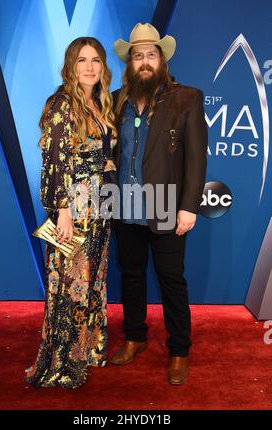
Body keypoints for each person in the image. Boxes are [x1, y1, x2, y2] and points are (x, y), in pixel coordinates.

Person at [110, 23, 208, 385]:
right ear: (130, 63)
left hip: (167, 204)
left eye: (152, 54)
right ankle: (135, 337)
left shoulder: (187, 98)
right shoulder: (116, 99)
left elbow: (197, 159)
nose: (145, 61)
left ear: (162, 60)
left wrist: (189, 206)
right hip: (123, 205)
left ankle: (179, 350)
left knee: (171, 280)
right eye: (139, 56)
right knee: (131, 276)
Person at [25, 37, 117, 389]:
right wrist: (61, 210)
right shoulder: (62, 104)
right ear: (70, 66)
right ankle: (62, 361)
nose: (90, 67)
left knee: (92, 281)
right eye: (82, 60)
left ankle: (87, 348)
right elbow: (54, 163)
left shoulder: (98, 104)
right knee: (69, 285)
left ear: (103, 67)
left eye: (96, 60)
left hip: (100, 208)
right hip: (74, 210)